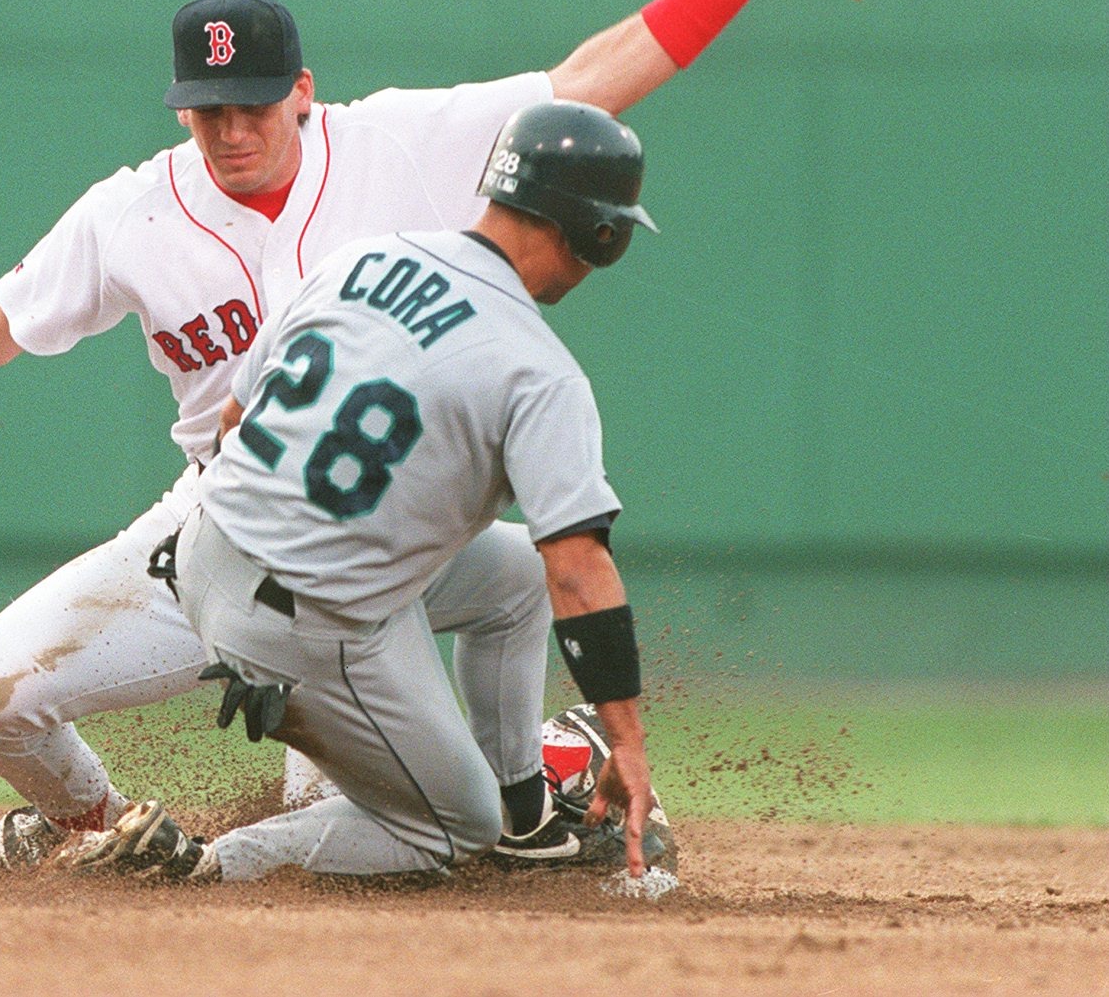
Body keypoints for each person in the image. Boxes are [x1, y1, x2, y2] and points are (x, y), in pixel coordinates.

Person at [0, 0, 794, 873]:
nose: (230, 127)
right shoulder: (135, 211)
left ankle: (529, 784)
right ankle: (105, 838)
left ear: (304, 89)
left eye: (253, 101)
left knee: (364, 814)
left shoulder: (398, 142)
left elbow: (590, 85)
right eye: (207, 108)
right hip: (215, 516)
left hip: (377, 533)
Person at [65, 100, 673, 890]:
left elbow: (231, 419)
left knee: (514, 576)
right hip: (305, 615)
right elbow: (580, 568)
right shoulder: (538, 368)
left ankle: (526, 815)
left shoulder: (362, 261)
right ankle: (209, 865)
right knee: (453, 826)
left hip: (204, 551)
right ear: (601, 233)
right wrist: (626, 739)